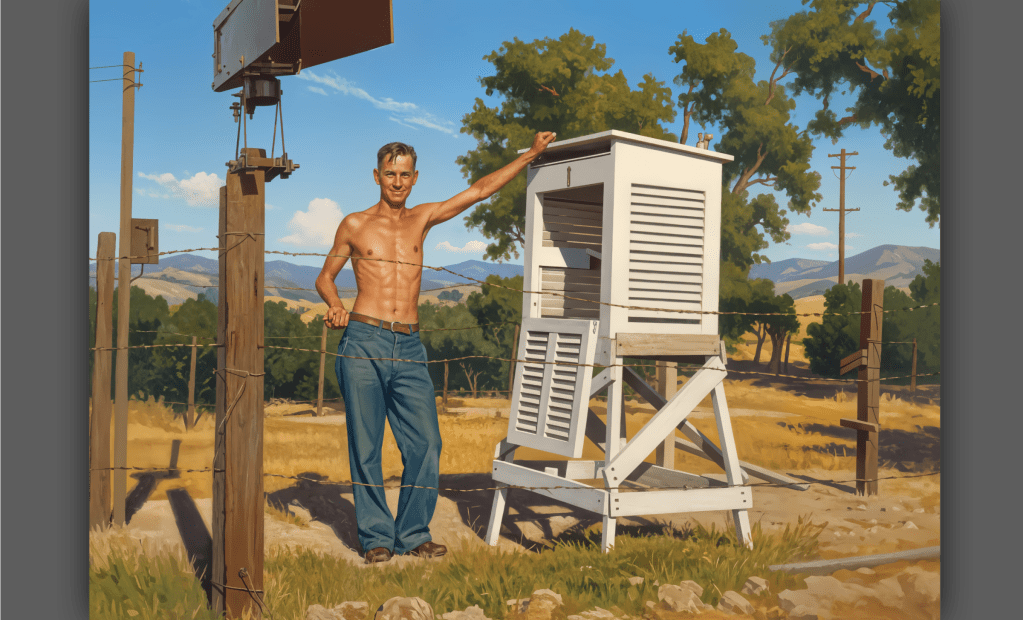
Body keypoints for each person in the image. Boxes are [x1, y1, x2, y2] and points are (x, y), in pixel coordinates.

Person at [315, 130, 557, 563]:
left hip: (409, 346)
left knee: (426, 442)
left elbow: (479, 191)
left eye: (404, 175)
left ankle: (411, 533)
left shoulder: (422, 218)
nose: (397, 182)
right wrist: (335, 306)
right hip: (363, 340)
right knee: (366, 445)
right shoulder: (354, 224)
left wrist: (532, 155)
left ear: (415, 178)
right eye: (390, 173)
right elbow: (324, 277)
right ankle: (376, 540)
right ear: (376, 175)